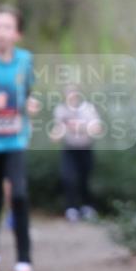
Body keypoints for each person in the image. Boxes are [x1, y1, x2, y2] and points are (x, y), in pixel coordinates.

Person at [0, 5, 41, 271]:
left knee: (18, 196)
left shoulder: (25, 60)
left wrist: (30, 105)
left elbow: (28, 95)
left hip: (15, 140)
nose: (1, 32)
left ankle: (24, 266)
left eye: (7, 27)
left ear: (17, 34)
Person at [49, 83, 103, 221]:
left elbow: (97, 129)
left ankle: (87, 206)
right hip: (69, 149)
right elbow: (58, 128)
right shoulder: (61, 110)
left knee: (84, 179)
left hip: (85, 149)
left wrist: (80, 128)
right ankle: (71, 208)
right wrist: (56, 134)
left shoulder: (88, 109)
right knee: (68, 178)